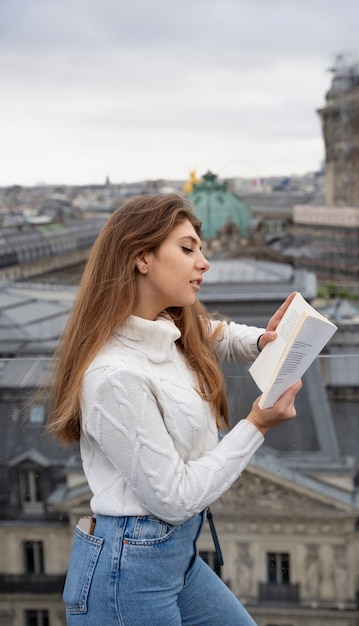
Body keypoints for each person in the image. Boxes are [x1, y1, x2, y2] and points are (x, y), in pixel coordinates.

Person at [46, 193, 302, 626]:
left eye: (200, 248)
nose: (203, 262)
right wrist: (256, 425)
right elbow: (175, 498)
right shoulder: (114, 377)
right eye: (187, 249)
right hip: (129, 574)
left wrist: (264, 342)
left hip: (172, 558)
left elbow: (213, 332)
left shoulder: (166, 325)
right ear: (141, 258)